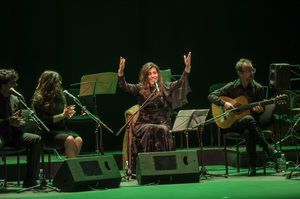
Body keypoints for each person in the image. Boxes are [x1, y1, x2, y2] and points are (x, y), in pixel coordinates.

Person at [118, 52, 192, 173]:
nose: (153, 76)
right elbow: (124, 86)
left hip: (162, 123)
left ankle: (164, 167)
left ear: (158, 74)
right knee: (151, 128)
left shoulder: (165, 87)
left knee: (161, 129)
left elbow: (180, 83)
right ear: (145, 76)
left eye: (155, 73)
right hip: (143, 124)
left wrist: (187, 70)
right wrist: (121, 74)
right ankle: (148, 168)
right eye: (149, 74)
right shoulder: (140, 88)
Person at [208, 58, 279, 176]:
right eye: (248, 71)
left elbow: (259, 112)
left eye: (252, 70)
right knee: (248, 121)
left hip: (252, 124)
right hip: (233, 123)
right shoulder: (232, 87)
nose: (252, 73)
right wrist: (224, 103)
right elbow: (211, 96)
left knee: (248, 128)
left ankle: (252, 166)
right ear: (240, 73)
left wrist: (259, 110)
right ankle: (268, 149)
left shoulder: (258, 88)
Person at [0, 69, 41, 188]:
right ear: (3, 85)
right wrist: (8, 122)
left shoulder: (15, 99)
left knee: (36, 139)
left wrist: (20, 123)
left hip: (14, 135)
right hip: (1, 135)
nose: (16, 85)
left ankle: (30, 181)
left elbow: (21, 120)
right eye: (12, 83)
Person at [32, 70, 82, 158]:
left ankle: (70, 163)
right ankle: (73, 166)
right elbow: (43, 120)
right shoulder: (39, 99)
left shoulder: (59, 96)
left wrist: (67, 116)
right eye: (57, 81)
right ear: (50, 83)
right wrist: (62, 115)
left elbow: (61, 117)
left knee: (78, 140)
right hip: (47, 132)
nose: (60, 82)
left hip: (61, 130)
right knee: (69, 139)